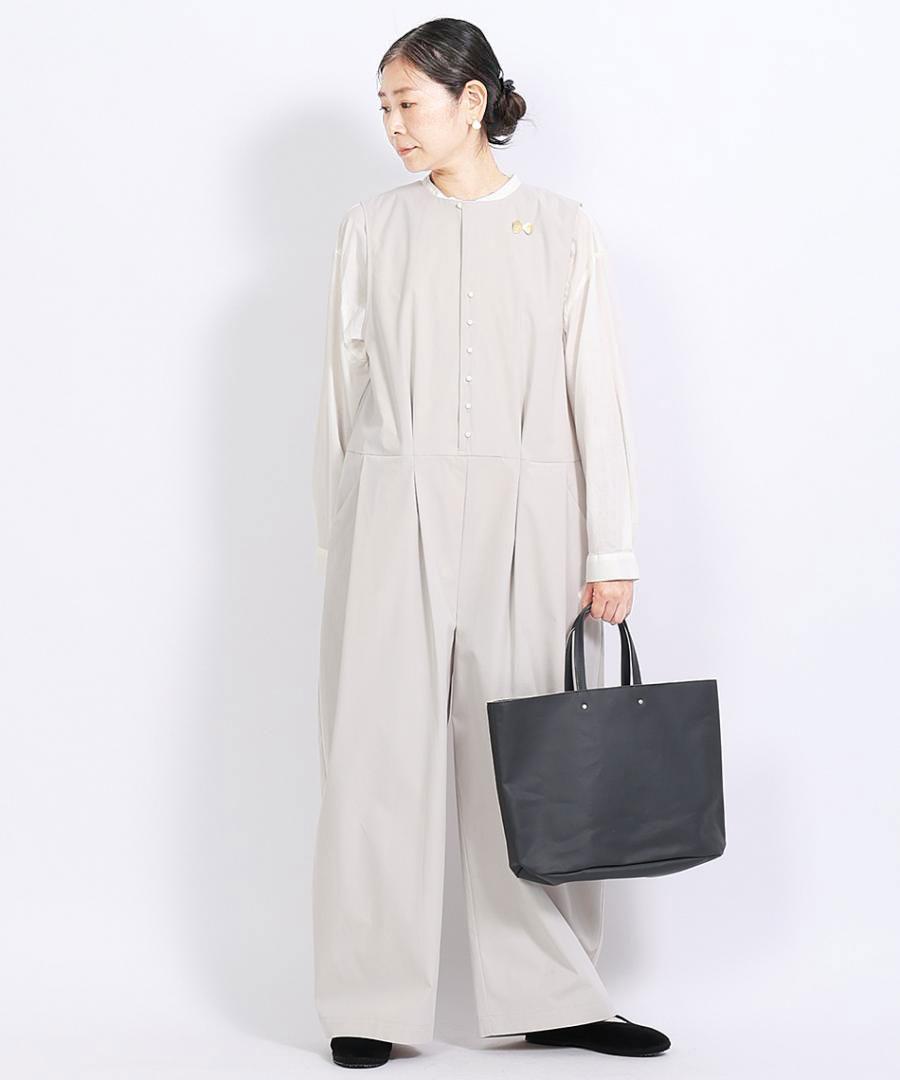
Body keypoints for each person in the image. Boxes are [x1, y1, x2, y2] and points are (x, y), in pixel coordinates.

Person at [311, 17, 670, 1069]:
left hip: (532, 517)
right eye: (383, 106)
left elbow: (597, 393)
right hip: (394, 513)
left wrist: (610, 550)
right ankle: (370, 1003)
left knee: (531, 756)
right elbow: (337, 395)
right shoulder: (372, 227)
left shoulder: (562, 229)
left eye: (408, 103)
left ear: (471, 103)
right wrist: (342, 539)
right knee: (378, 760)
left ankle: (554, 995)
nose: (393, 125)